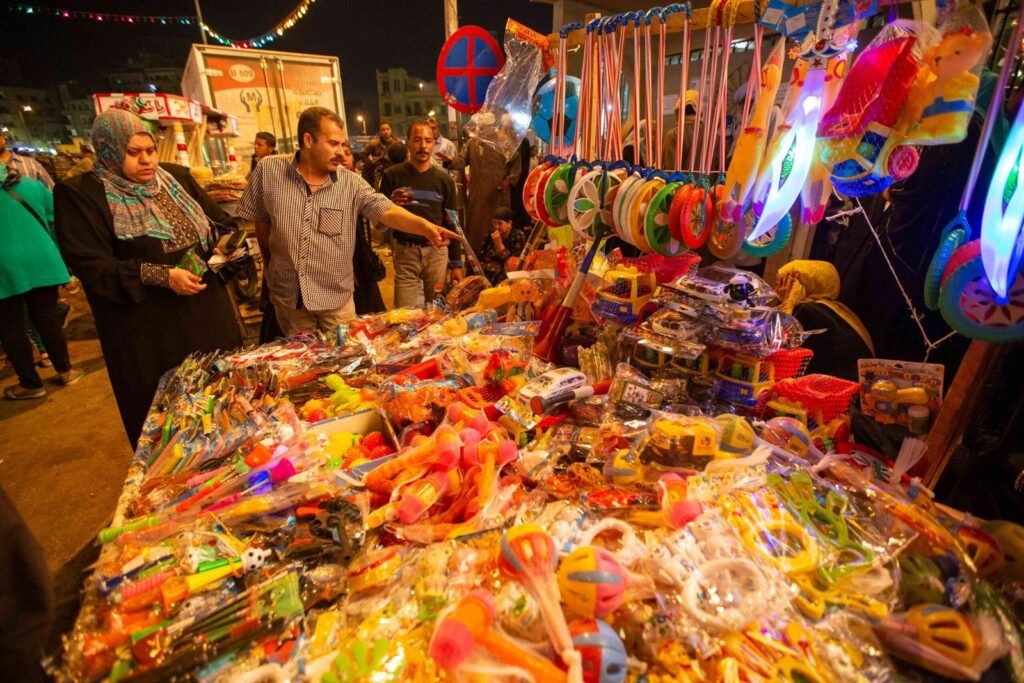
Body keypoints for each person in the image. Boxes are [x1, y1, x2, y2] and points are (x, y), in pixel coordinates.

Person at [55, 108, 242, 445]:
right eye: (133, 153)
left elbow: (217, 223)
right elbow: (90, 263)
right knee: (171, 426)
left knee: (224, 408)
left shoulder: (177, 178)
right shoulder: (82, 194)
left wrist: (227, 244)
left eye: (150, 150)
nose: (146, 160)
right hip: (149, 332)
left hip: (207, 315)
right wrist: (161, 275)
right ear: (108, 150)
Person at [237, 106, 460, 334]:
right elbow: (262, 223)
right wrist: (270, 269)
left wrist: (425, 227)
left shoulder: (350, 183)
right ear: (308, 140)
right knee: (303, 362)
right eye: (333, 144)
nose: (342, 153)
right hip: (290, 299)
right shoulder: (269, 172)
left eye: (343, 145)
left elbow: (387, 210)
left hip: (336, 300)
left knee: (344, 360)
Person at [0, 162, 82, 399]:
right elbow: (57, 216)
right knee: (47, 318)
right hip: (41, 259)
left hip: (4, 266)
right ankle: (66, 371)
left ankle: (30, 384)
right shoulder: (31, 185)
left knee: (11, 326)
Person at [380, 120, 463, 308]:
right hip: (405, 252)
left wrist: (456, 263)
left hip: (437, 252)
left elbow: (452, 222)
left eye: (428, 140)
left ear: (434, 144)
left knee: (436, 312)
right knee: (404, 313)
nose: (423, 146)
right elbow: (380, 217)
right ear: (408, 142)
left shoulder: (445, 181)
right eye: (417, 140)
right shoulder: (392, 176)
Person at [776, 260, 874, 382]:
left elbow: (791, 358)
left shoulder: (808, 310)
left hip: (835, 387)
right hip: (857, 383)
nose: (777, 289)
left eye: (784, 282)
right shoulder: (837, 308)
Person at [341, 140, 386, 314]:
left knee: (371, 314)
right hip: (339, 263)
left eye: (347, 153)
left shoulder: (358, 184)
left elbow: (381, 213)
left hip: (361, 258)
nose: (343, 157)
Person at [456, 135, 521, 255]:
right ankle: (473, 265)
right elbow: (460, 161)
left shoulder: (505, 142)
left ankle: (500, 264)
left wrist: (508, 180)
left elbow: (516, 167)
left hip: (497, 196)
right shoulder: (473, 143)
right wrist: (449, 161)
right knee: (475, 231)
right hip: (477, 196)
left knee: (497, 229)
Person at [480, 207, 527, 285]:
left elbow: (515, 265)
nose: (496, 227)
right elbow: (482, 256)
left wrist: (499, 245)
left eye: (500, 223)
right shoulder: (490, 233)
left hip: (507, 271)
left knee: (501, 273)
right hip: (490, 267)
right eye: (494, 223)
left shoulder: (518, 236)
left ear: (509, 224)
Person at [360, 121, 395, 188]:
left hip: (393, 171)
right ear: (380, 131)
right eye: (383, 130)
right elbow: (363, 153)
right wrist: (370, 163)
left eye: (388, 129)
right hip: (378, 173)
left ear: (391, 130)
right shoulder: (374, 143)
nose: (386, 132)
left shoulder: (396, 143)